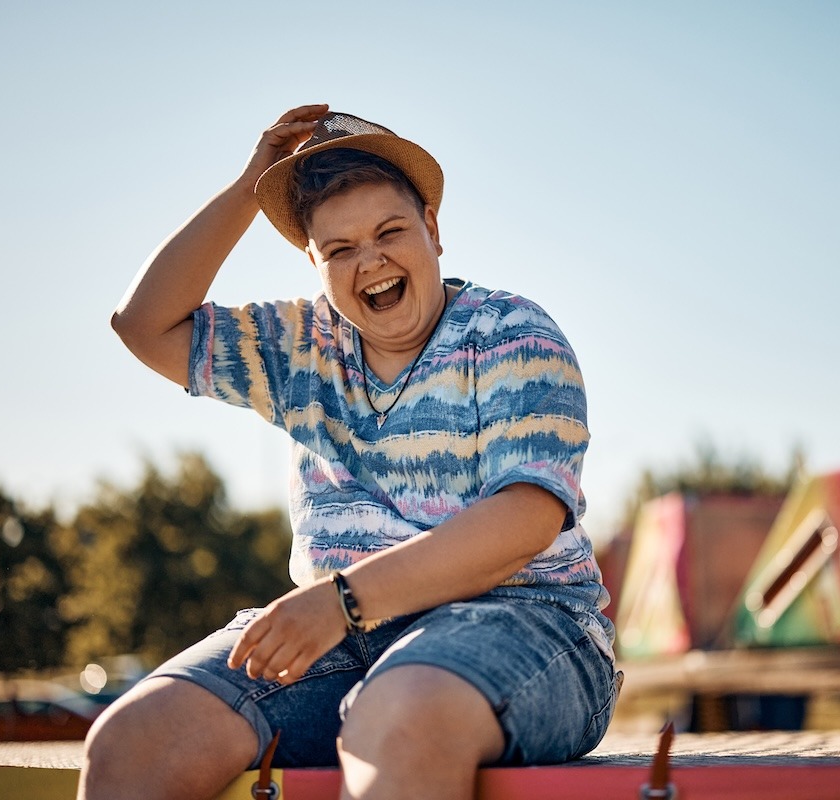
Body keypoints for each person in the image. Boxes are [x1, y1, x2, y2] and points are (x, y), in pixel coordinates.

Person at [81, 104, 619, 800]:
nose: (370, 261)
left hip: (529, 624)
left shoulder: (511, 329)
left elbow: (524, 521)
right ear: (315, 261)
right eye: (338, 249)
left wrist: (341, 600)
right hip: (338, 641)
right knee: (133, 741)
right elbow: (143, 324)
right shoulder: (301, 345)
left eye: (391, 231)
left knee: (399, 716)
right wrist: (254, 185)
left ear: (433, 230)